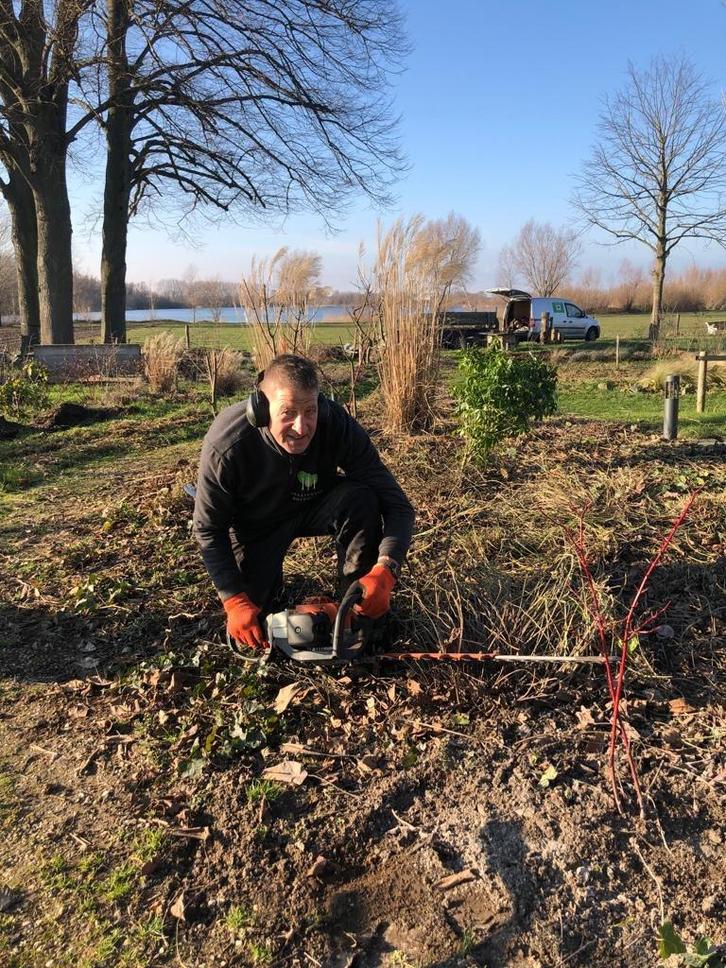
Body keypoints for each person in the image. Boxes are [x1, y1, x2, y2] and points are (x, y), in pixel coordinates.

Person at [193, 353, 415, 649]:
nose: (301, 427)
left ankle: (354, 612)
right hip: (254, 525)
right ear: (261, 409)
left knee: (361, 498)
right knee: (258, 624)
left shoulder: (335, 424)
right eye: (287, 413)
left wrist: (386, 569)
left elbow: (397, 505)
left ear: (320, 405)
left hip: (311, 503)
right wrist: (233, 600)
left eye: (310, 411)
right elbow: (208, 529)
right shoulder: (228, 444)